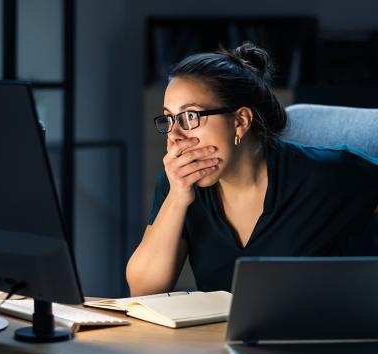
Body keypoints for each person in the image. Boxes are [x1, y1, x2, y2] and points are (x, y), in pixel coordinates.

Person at [126, 41, 378, 296]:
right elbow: (143, 291)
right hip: (217, 335)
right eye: (169, 119)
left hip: (315, 331)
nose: (174, 136)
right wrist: (177, 199)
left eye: (190, 117)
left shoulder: (325, 175)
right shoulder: (179, 184)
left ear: (240, 121)